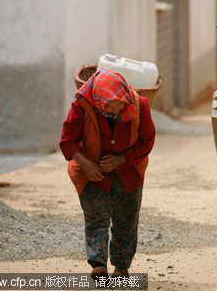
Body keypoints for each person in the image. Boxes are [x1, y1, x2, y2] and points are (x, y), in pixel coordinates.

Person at [60, 69, 155, 279]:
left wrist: (120, 160)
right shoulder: (82, 106)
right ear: (101, 101)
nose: (120, 106)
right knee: (97, 218)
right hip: (92, 173)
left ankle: (121, 267)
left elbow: (146, 141)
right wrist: (86, 165)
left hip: (128, 172)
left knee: (127, 220)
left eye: (122, 102)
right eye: (114, 104)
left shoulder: (139, 105)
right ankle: (98, 265)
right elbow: (68, 141)